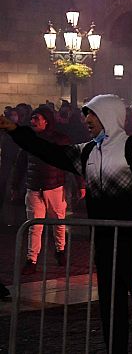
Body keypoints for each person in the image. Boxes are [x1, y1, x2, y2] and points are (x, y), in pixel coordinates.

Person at [0, 94, 132, 354]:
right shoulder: (87, 151)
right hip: (104, 242)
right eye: (86, 114)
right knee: (110, 305)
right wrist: (17, 132)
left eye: (92, 114)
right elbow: (49, 151)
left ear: (108, 115)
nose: (86, 120)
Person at [14, 105, 74, 274]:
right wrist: (14, 185)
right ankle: (31, 260)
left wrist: (80, 183)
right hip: (34, 188)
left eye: (36, 118)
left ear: (46, 122)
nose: (33, 121)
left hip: (55, 187)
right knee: (35, 226)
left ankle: (60, 250)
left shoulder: (60, 139)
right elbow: (20, 164)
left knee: (58, 223)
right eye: (32, 118)